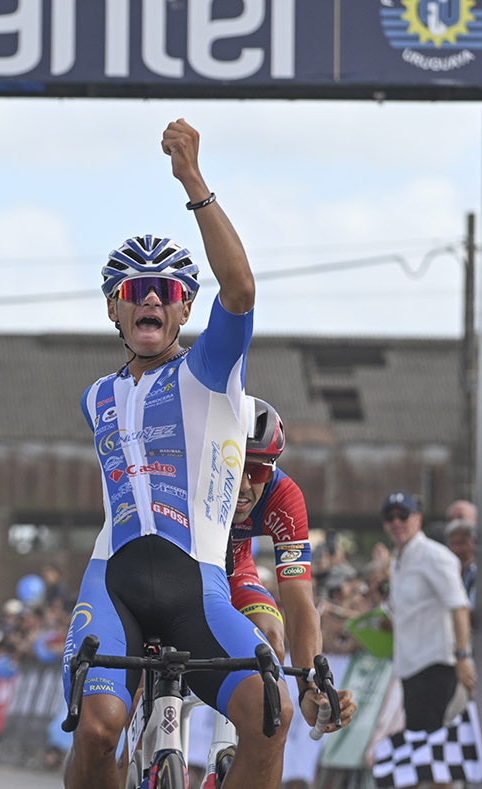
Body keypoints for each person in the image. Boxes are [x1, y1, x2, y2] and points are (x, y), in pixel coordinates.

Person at [62, 119, 290, 789]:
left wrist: (193, 181)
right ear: (114, 309)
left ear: (186, 308)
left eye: (167, 290)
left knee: (270, 714)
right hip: (114, 583)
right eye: (135, 291)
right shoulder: (96, 396)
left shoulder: (208, 375)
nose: (152, 299)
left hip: (198, 586)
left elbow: (241, 291)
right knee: (97, 731)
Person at [225, 397, 355, 725]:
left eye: (257, 470)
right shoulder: (187, 480)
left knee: (270, 637)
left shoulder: (283, 496)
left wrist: (310, 688)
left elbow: (300, 604)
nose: (244, 485)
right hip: (183, 573)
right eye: (234, 466)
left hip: (235, 572)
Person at [381, 491, 474, 789]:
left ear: (418, 519)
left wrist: (462, 657)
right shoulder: (399, 559)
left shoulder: (434, 555)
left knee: (437, 760)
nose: (397, 522)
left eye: (403, 515)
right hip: (412, 669)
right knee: (425, 760)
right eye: (390, 517)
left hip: (436, 666)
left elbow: (459, 606)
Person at [444, 519, 477, 611]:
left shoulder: (478, 573)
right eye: (453, 544)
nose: (457, 550)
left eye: (462, 543)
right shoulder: (445, 572)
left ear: (473, 544)